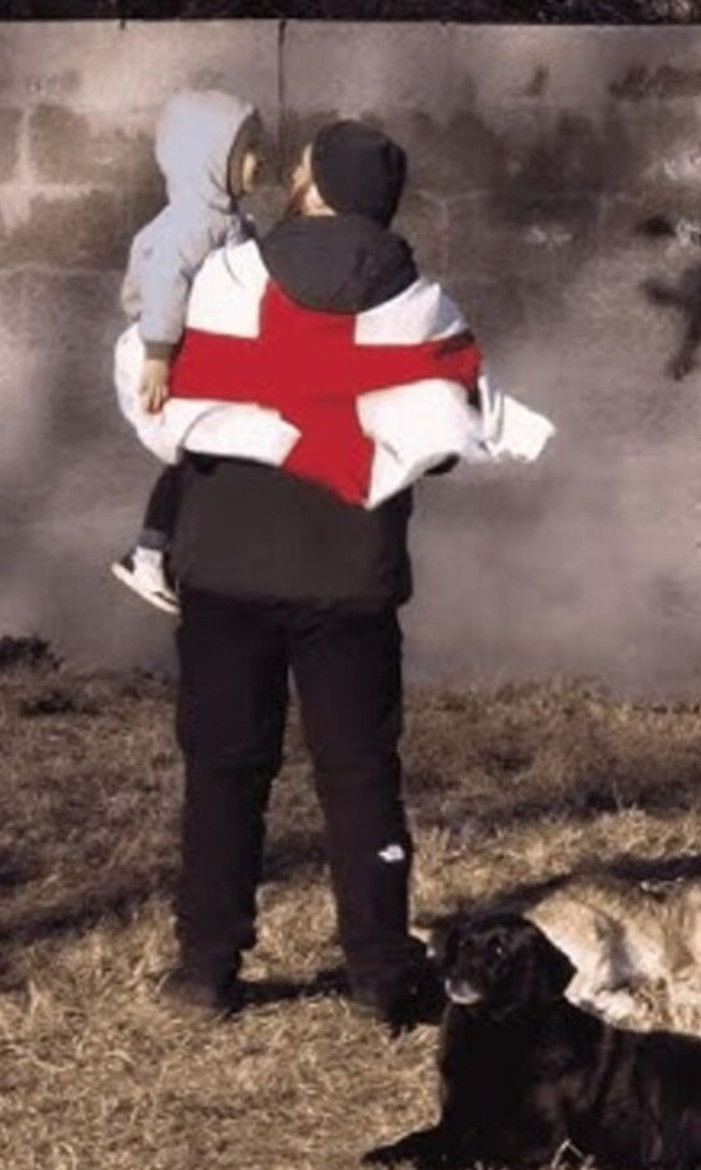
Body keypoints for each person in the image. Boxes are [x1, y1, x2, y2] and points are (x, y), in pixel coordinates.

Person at [149, 121, 552, 1029]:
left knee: (222, 768)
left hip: (226, 563)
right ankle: (377, 971)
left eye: (300, 169)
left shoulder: (227, 276)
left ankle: (206, 969)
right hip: (351, 573)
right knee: (361, 772)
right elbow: (443, 436)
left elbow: (175, 391)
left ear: (318, 186)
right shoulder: (424, 302)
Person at [110, 88, 263, 615]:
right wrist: (159, 353)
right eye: (246, 151)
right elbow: (164, 283)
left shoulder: (226, 220)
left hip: (187, 349)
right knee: (198, 451)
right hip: (163, 351)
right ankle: (150, 555)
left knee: (204, 454)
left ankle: (161, 553)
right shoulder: (191, 223)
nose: (259, 161)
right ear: (209, 159)